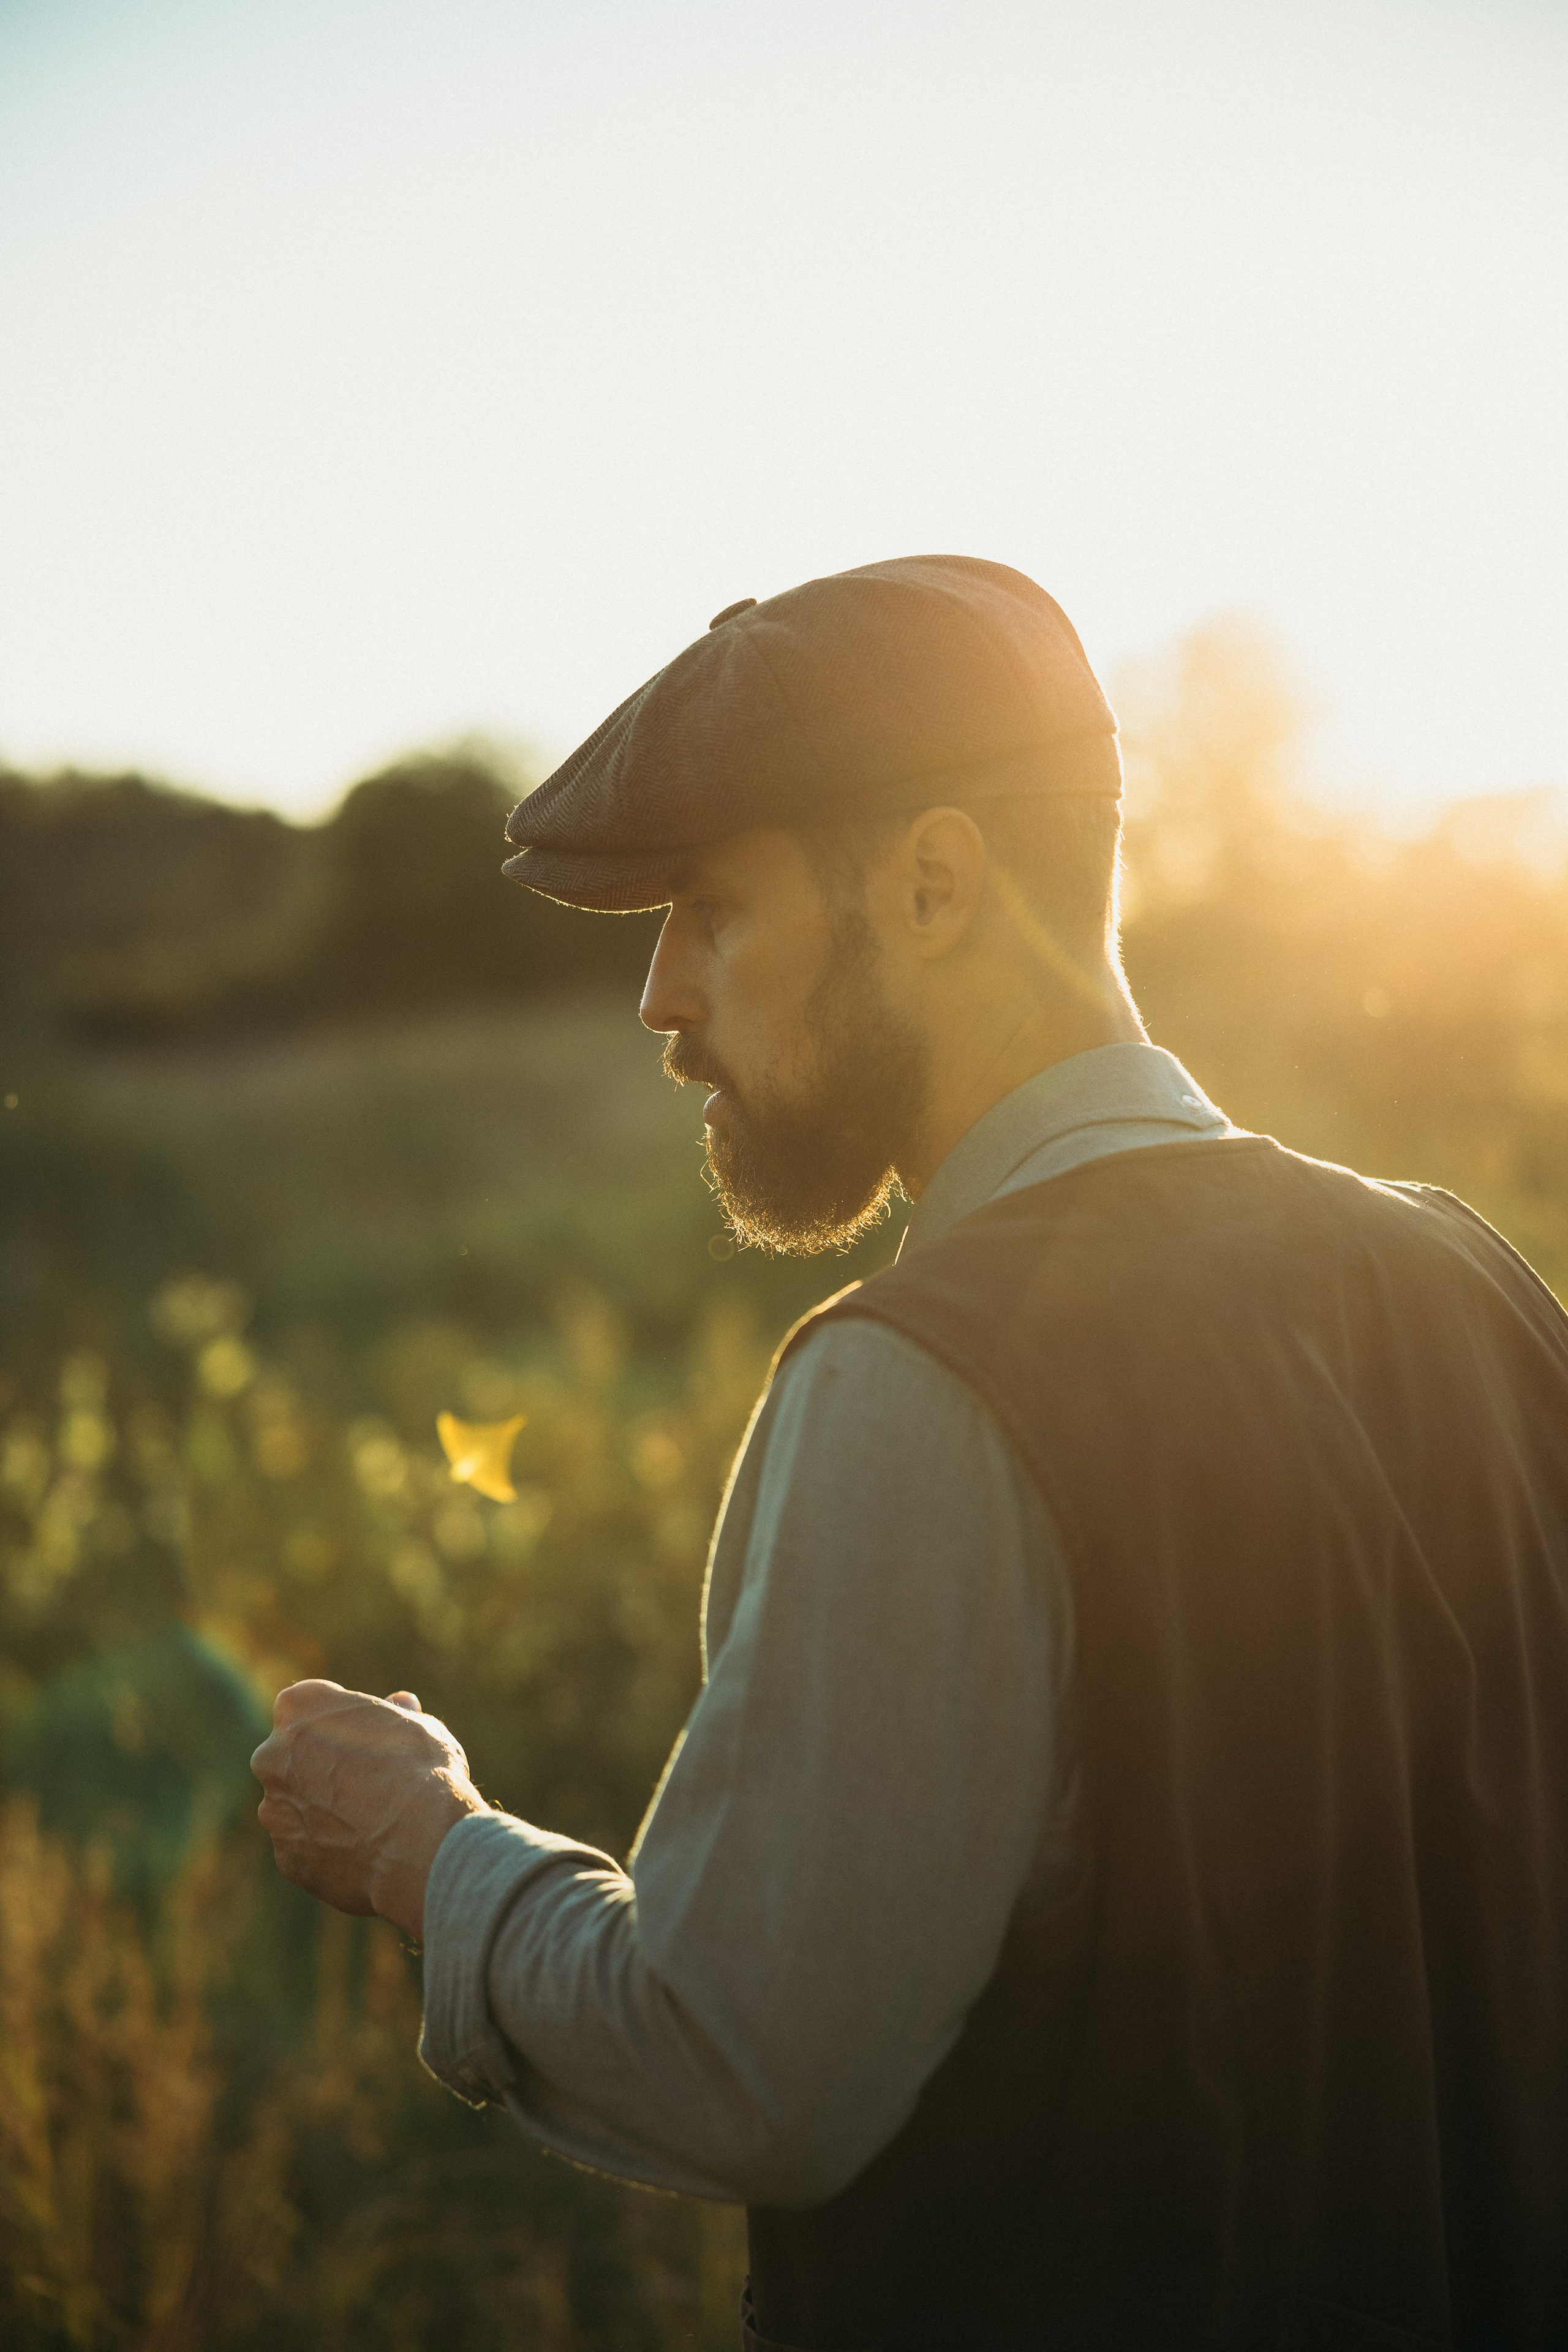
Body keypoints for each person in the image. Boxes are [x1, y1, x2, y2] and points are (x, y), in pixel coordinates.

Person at [253, 557, 1568, 2351]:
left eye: (711, 909)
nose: (660, 998)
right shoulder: (1479, 1289)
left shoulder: (926, 1381)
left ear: (935, 883)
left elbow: (741, 2059)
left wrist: (431, 1845)